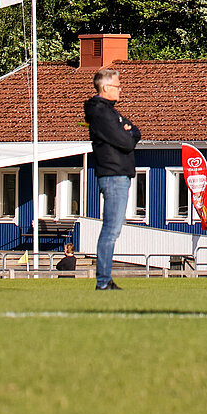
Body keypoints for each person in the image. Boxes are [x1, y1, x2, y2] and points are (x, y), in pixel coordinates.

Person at [85, 66, 140, 290]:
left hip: (119, 174)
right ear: (106, 87)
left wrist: (128, 131)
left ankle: (105, 279)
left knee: (113, 229)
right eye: (117, 86)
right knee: (111, 229)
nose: (120, 90)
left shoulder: (110, 112)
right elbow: (127, 140)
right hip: (113, 174)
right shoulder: (101, 112)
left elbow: (135, 131)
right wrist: (127, 132)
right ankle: (103, 280)